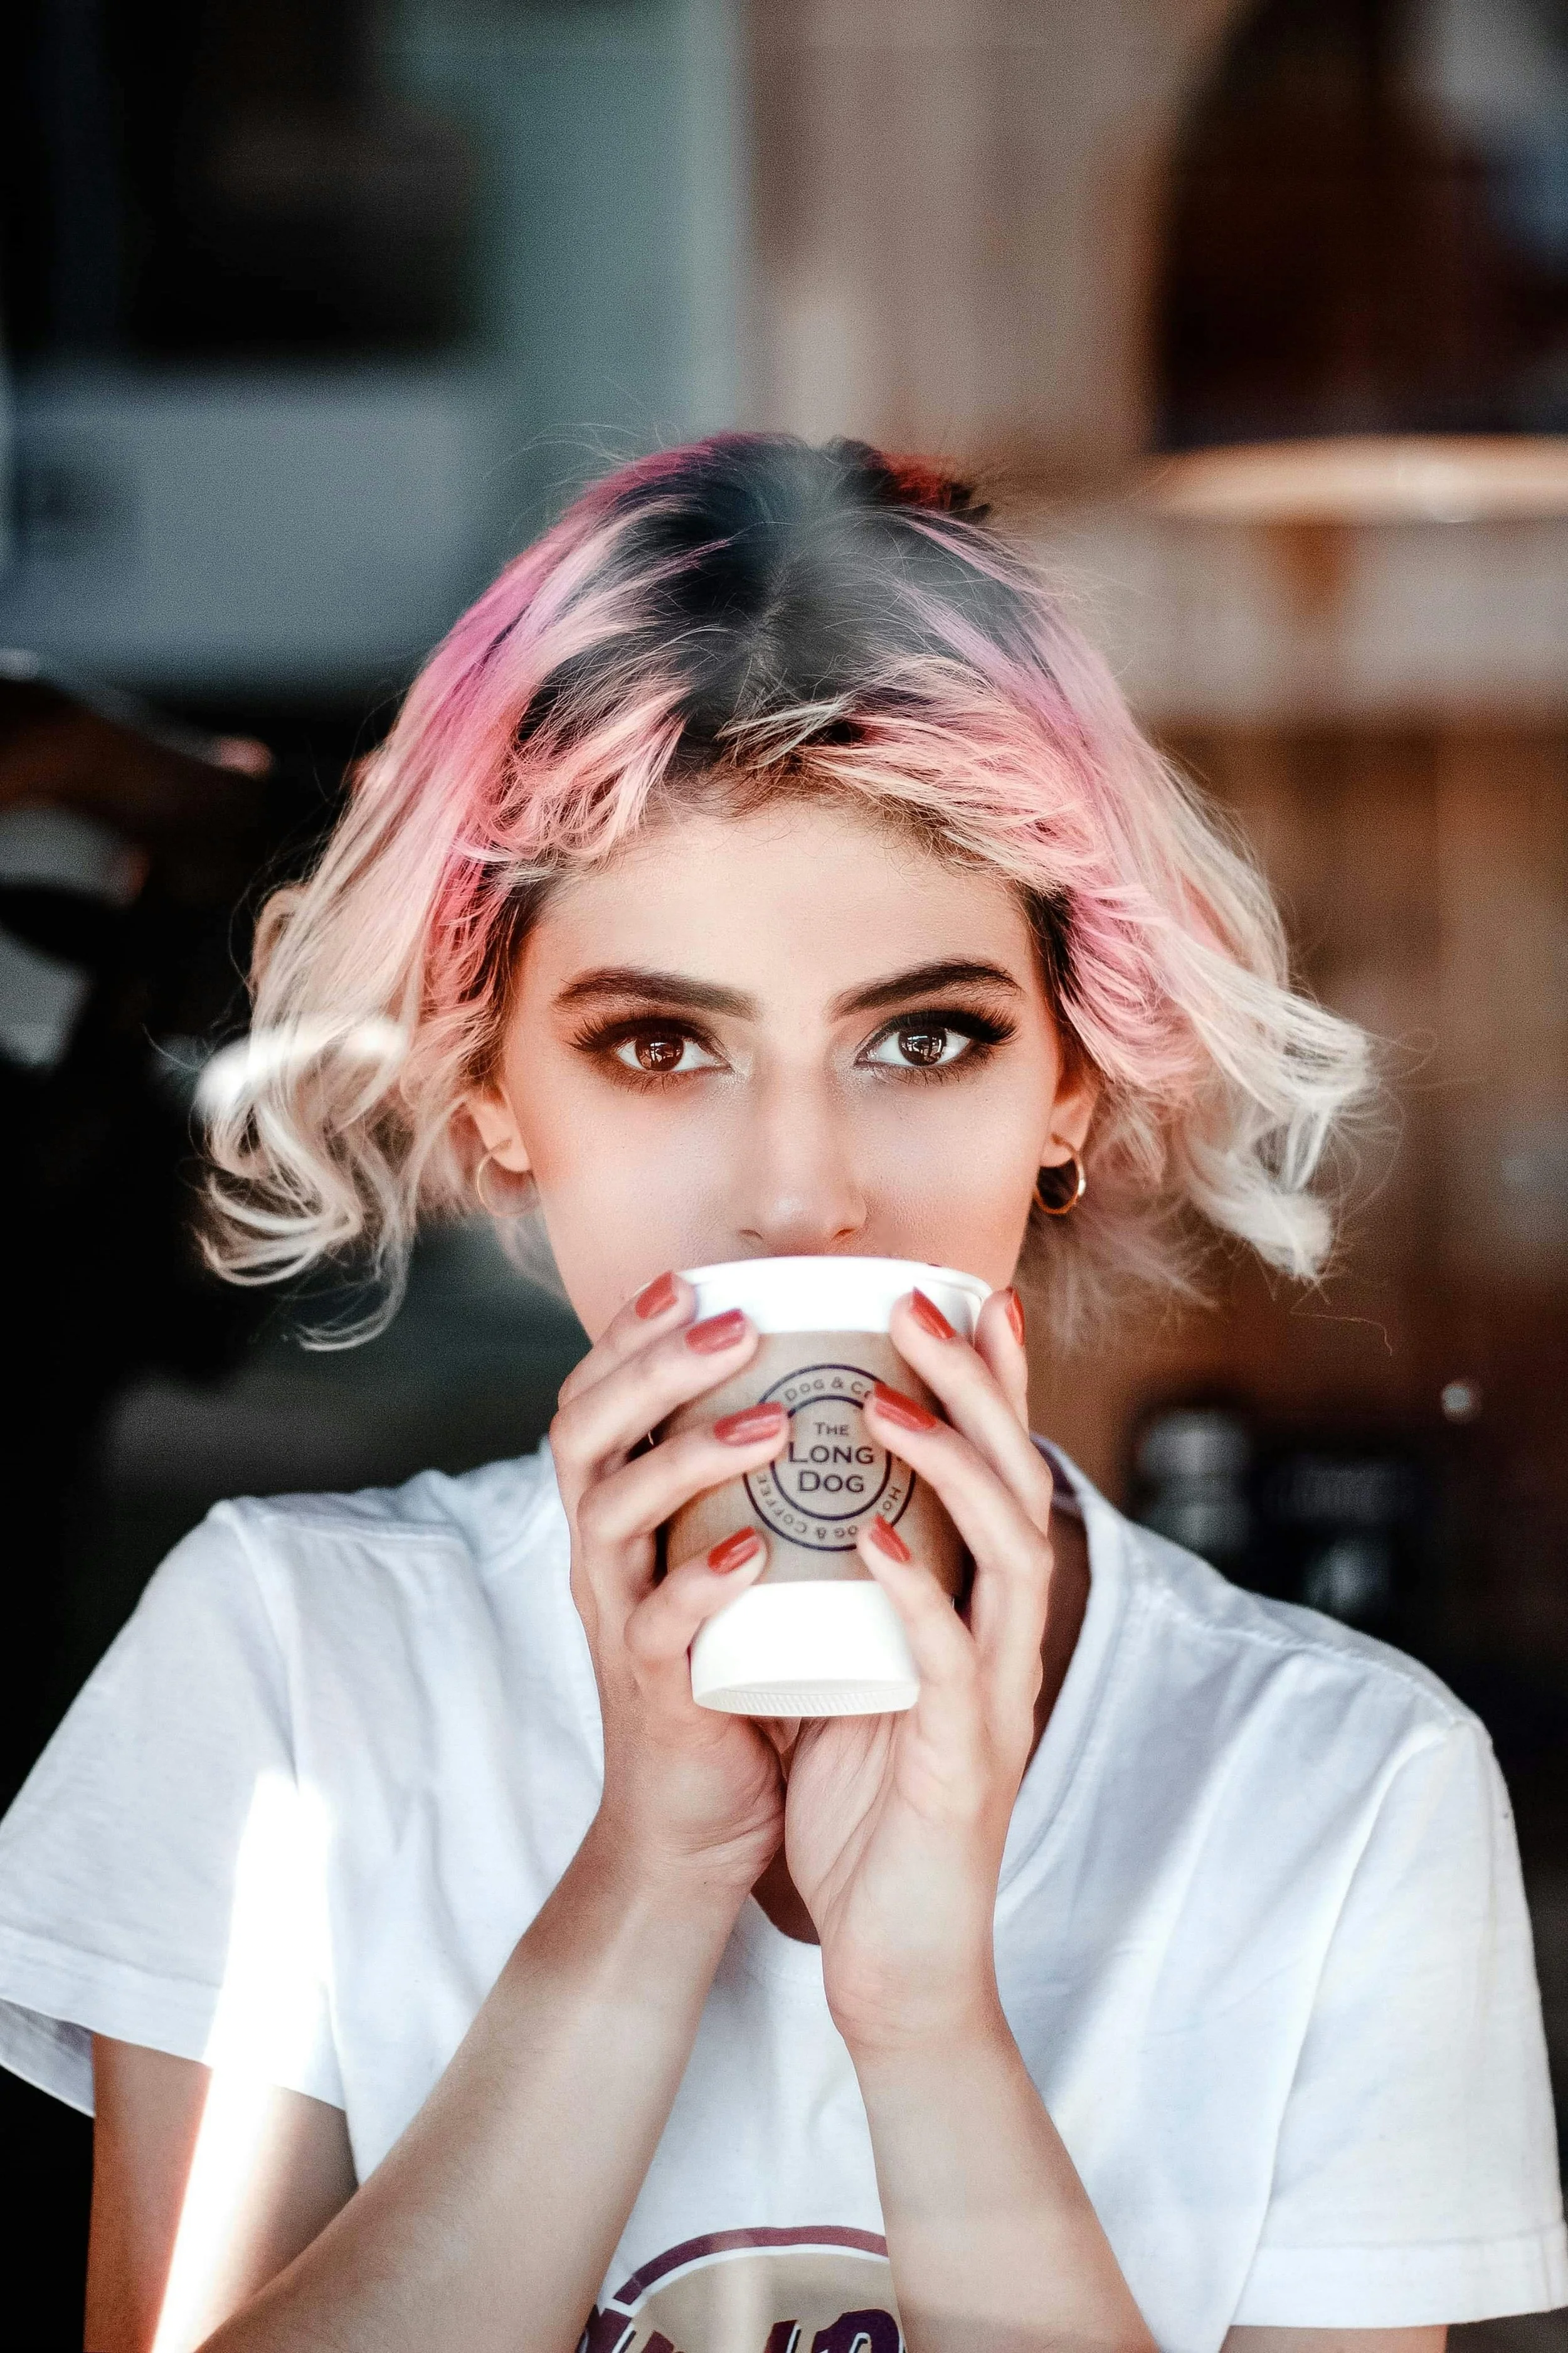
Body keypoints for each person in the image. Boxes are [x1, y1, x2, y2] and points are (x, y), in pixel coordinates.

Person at [0, 436, 1560, 2353]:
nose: (800, 1187)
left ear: (1066, 1084)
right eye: (659, 1041)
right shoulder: (292, 1673)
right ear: (494, 1090)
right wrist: (647, 1881)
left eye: (924, 1035)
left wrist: (924, 2016)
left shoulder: (1333, 1790)